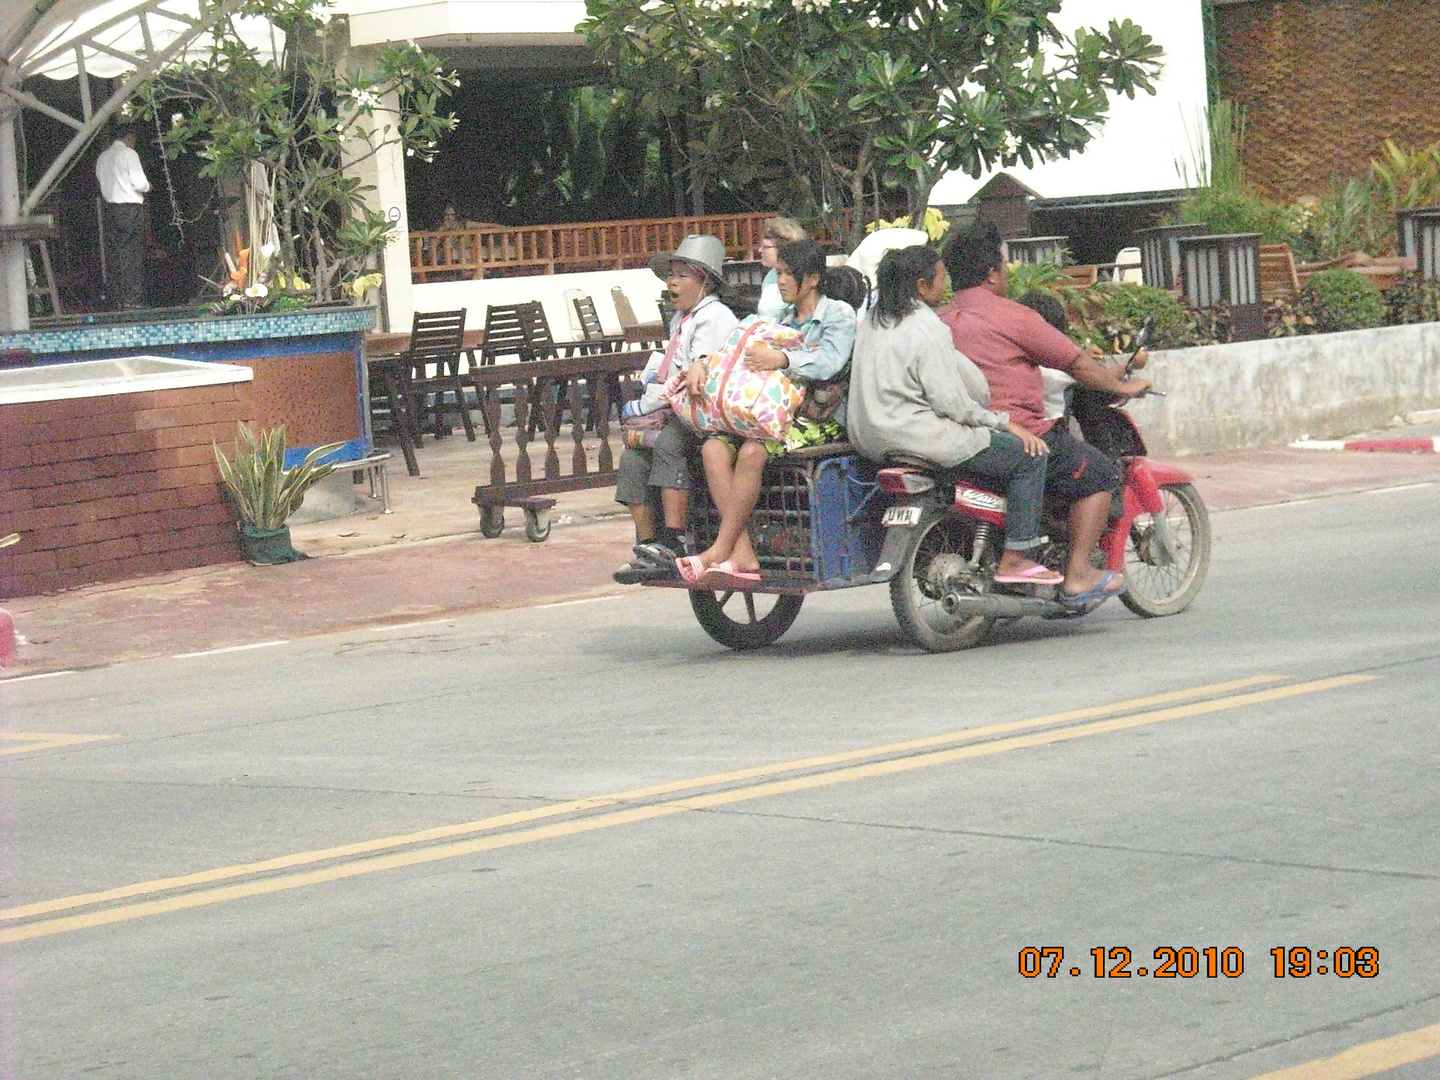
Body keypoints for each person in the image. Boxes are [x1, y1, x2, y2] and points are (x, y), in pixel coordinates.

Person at [939, 224, 1150, 606]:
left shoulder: (938, 320)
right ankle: (1079, 575)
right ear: (991, 273)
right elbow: (1077, 364)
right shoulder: (1015, 316)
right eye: (1003, 267)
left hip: (962, 436)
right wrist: (1122, 387)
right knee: (1101, 473)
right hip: (1023, 434)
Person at [847, 246, 1062, 586]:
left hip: (871, 439)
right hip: (918, 437)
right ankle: (1017, 556)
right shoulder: (927, 328)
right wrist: (1005, 422)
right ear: (921, 285)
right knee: (1029, 456)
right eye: (941, 277)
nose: (945, 286)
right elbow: (954, 405)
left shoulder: (873, 321)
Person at [678, 239, 857, 586]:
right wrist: (702, 364)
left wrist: (784, 358)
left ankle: (719, 550)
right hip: (766, 414)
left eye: (789, 274)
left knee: (752, 451)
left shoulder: (838, 314)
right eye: (779, 273)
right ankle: (741, 551)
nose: (782, 281)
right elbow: (733, 352)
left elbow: (831, 362)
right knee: (713, 449)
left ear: (813, 279)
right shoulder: (777, 319)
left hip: (815, 416)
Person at [614, 234, 738, 579]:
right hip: (677, 408)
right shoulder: (680, 320)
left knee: (670, 441)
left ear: (704, 281)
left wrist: (644, 404)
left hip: (706, 412)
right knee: (632, 456)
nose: (672, 282)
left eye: (682, 275)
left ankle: (674, 540)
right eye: (672, 274)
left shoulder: (715, 318)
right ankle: (649, 541)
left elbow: (690, 378)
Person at [95, 125, 151, 309]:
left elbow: (100, 179)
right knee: (131, 253)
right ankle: (132, 299)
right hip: (129, 208)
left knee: (115, 252)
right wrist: (148, 187)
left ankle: (117, 297)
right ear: (129, 137)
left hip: (110, 208)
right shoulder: (128, 154)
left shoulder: (103, 157)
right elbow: (140, 183)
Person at [755, 217, 807, 319]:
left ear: (782, 248)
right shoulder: (771, 276)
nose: (759, 250)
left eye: (765, 247)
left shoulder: (799, 275)